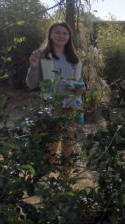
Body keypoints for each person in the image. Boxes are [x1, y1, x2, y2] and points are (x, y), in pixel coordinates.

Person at [26, 21, 85, 161]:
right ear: (50, 35)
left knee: (69, 147)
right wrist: (33, 67)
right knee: (49, 146)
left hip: (71, 108)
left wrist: (81, 88)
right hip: (51, 107)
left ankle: (66, 173)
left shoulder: (75, 59)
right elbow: (31, 84)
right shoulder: (42, 57)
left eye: (65, 33)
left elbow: (80, 82)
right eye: (57, 32)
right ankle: (47, 173)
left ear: (69, 37)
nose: (61, 36)